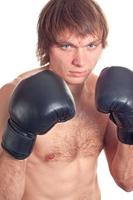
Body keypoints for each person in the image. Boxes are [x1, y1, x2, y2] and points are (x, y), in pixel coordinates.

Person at [0, 0, 133, 199]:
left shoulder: (106, 95)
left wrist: (130, 126)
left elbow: (127, 182)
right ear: (47, 46)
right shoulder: (14, 95)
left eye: (91, 45)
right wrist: (19, 134)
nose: (80, 61)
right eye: (66, 46)